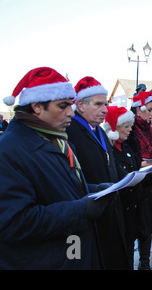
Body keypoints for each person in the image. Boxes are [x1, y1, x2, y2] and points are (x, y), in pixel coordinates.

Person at [0, 67, 110, 269]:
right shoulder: (9, 150)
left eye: (71, 105)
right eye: (62, 106)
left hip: (72, 253)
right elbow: (13, 223)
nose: (71, 112)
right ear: (37, 107)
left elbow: (59, 190)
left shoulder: (57, 141)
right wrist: (81, 209)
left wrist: (94, 190)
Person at [67, 76, 131, 269]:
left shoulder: (99, 131)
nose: (105, 109)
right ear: (81, 105)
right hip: (91, 213)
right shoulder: (72, 131)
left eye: (105, 104)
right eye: (98, 104)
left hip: (110, 207)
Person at [103, 106, 152, 268]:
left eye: (130, 126)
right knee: (125, 250)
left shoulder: (127, 147)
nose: (130, 130)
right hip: (123, 207)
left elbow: (135, 169)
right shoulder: (108, 151)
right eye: (126, 126)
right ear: (113, 128)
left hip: (136, 204)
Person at [125, 90, 152, 270]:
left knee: (147, 225)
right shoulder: (129, 128)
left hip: (150, 184)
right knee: (133, 226)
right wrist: (141, 164)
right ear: (138, 110)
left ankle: (145, 262)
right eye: (149, 110)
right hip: (134, 187)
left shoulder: (150, 130)